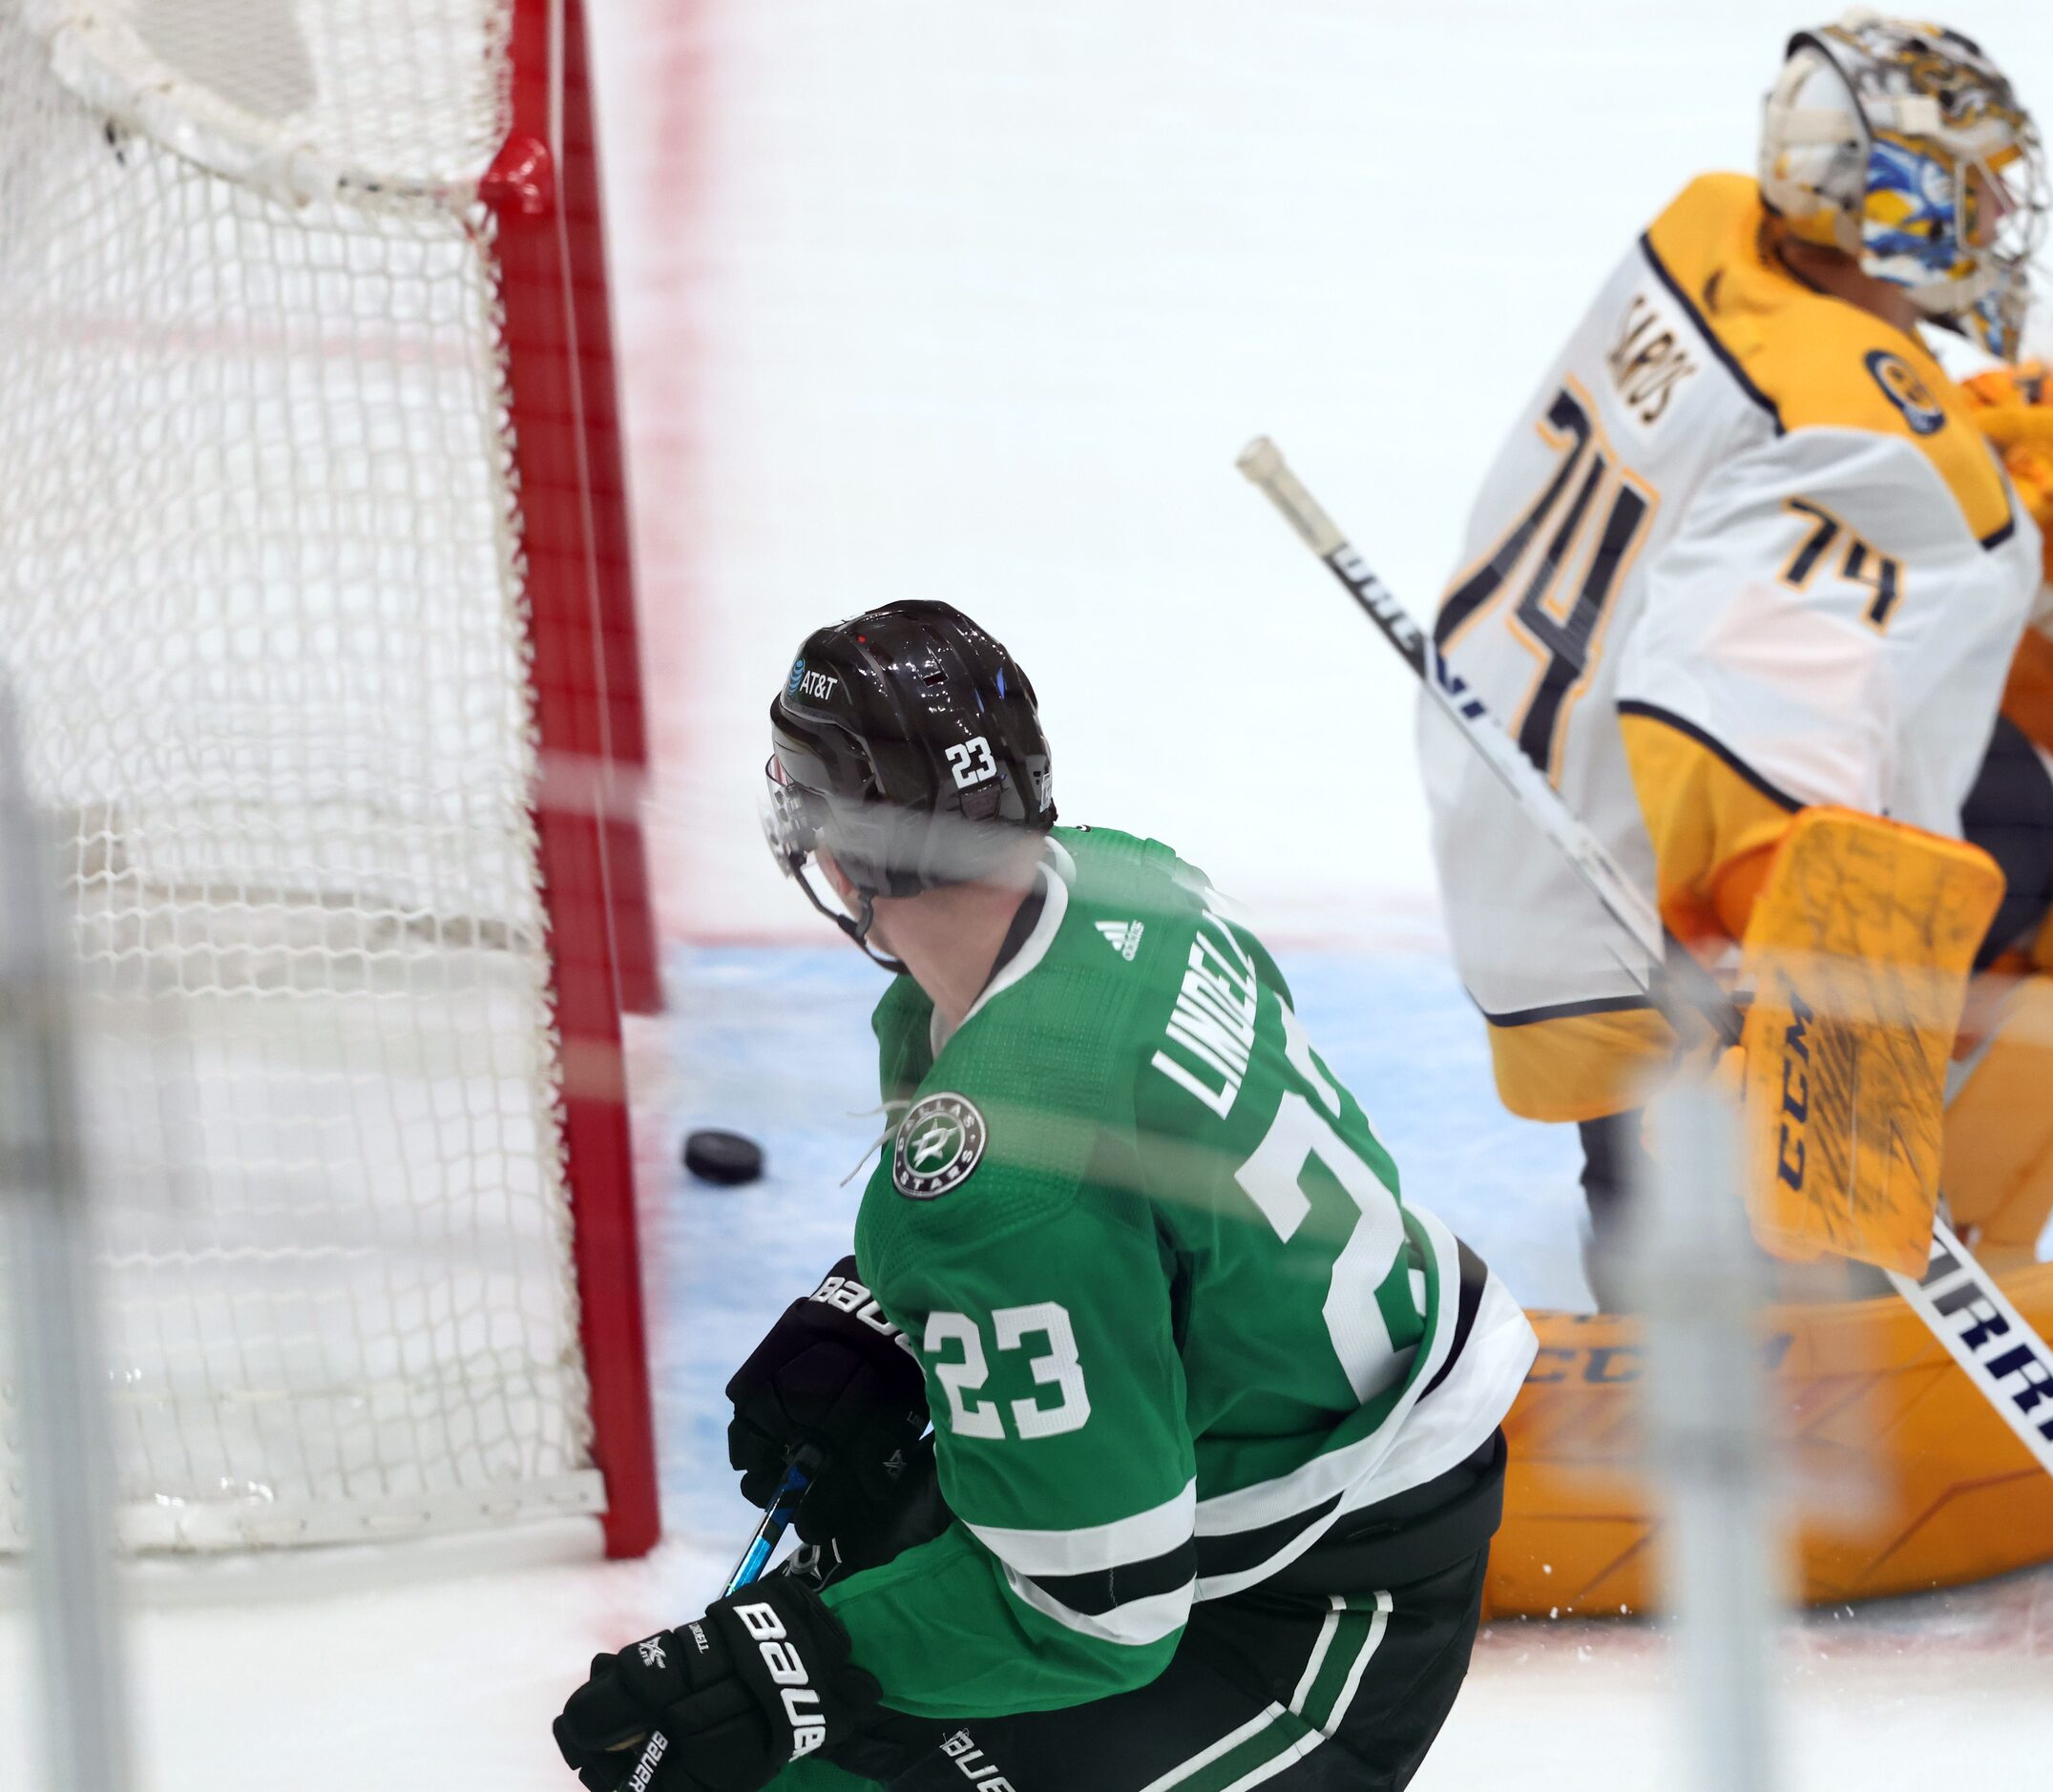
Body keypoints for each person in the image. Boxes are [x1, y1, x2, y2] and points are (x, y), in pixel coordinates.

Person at [554, 601, 1537, 1792]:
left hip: (1319, 1612)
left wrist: (791, 1672)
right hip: (1300, 1442)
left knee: (793, 1765)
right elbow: (1131, 1191)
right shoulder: (1133, 881)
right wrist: (889, 1315)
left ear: (839, 842)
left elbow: (1097, 1615)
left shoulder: (999, 1184)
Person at [1416, 11, 2053, 1302]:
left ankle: (1646, 1197)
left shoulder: (1705, 234)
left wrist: (1980, 442)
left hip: (1520, 795)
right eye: (1974, 189)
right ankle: (1741, 1239)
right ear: (1907, 203)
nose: (1996, 216)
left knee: (1968, 785)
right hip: (1647, 905)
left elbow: (1747, 465)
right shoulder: (1864, 437)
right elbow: (1730, 697)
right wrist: (1770, 967)